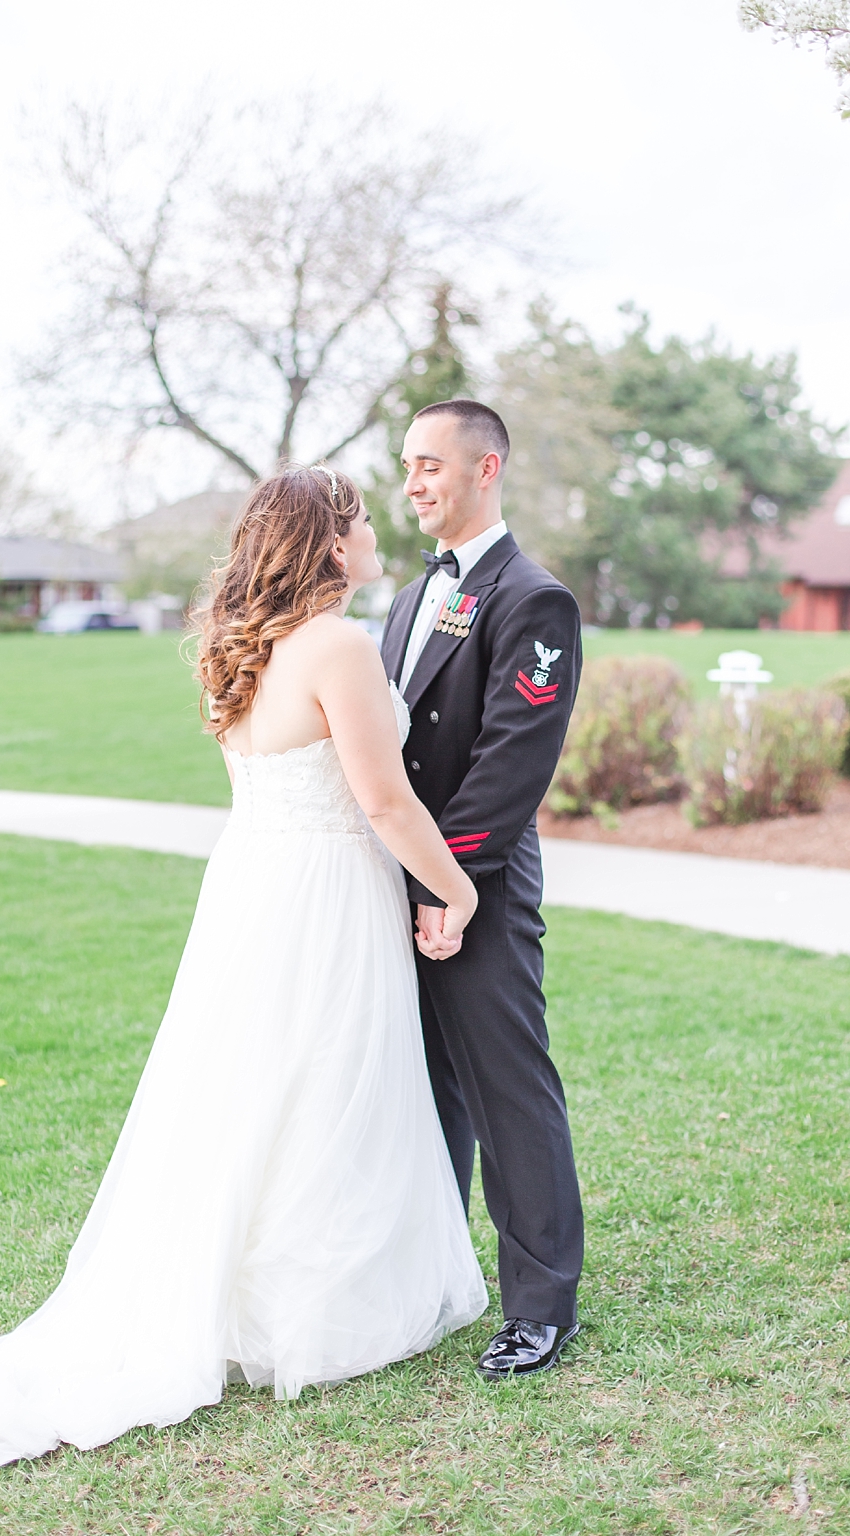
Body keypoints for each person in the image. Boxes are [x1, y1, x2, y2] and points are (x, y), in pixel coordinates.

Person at [0, 465, 488, 1478]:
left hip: (251, 884)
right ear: (324, 543)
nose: (371, 531)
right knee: (325, 1084)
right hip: (322, 888)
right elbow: (384, 802)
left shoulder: (248, 646)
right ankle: (310, 1311)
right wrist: (456, 890)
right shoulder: (340, 645)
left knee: (250, 1090)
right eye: (355, 519)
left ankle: (265, 1292)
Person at [382, 398, 585, 1379]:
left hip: (477, 882)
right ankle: (432, 1278)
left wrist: (442, 879)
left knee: (506, 1088)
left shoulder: (530, 596)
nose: (412, 482)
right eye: (406, 466)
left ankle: (541, 1305)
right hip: (398, 880)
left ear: (484, 468)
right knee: (421, 1090)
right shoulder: (411, 589)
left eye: (428, 464)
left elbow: (511, 761)